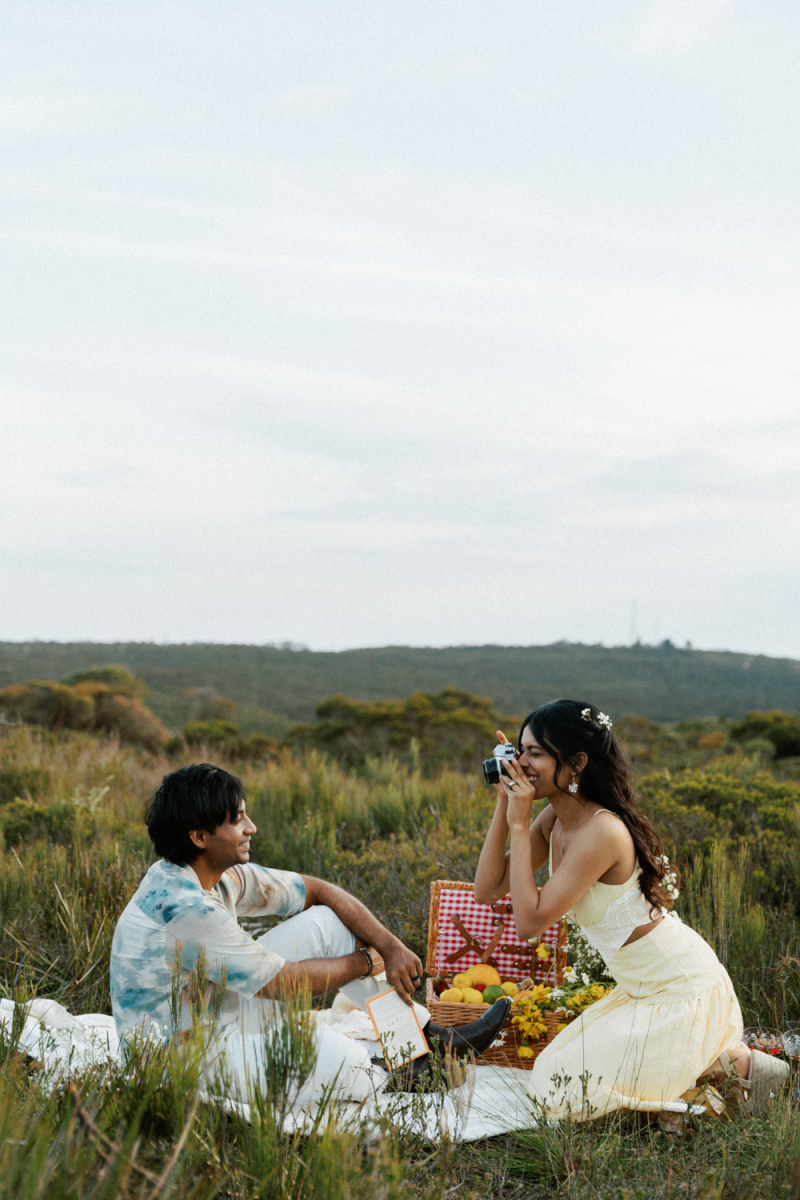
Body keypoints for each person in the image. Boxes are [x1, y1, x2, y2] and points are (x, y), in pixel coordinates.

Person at [111, 762, 509, 1106]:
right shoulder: (185, 910)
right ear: (199, 837)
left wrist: (391, 946)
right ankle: (403, 1074)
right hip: (181, 1061)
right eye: (237, 820)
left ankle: (427, 1042)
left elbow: (319, 890)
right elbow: (283, 984)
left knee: (330, 923)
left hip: (213, 1010)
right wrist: (366, 962)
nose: (251, 827)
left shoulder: (213, 873)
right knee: (345, 1060)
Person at [474, 700, 788, 1121]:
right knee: (553, 1079)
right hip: (639, 991)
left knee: (566, 1096)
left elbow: (529, 924)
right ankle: (704, 1081)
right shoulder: (555, 819)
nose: (522, 762)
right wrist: (504, 803)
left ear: (577, 762)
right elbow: (486, 889)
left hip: (680, 989)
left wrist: (518, 822)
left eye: (536, 753)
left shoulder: (601, 830)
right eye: (519, 750)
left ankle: (736, 1070)